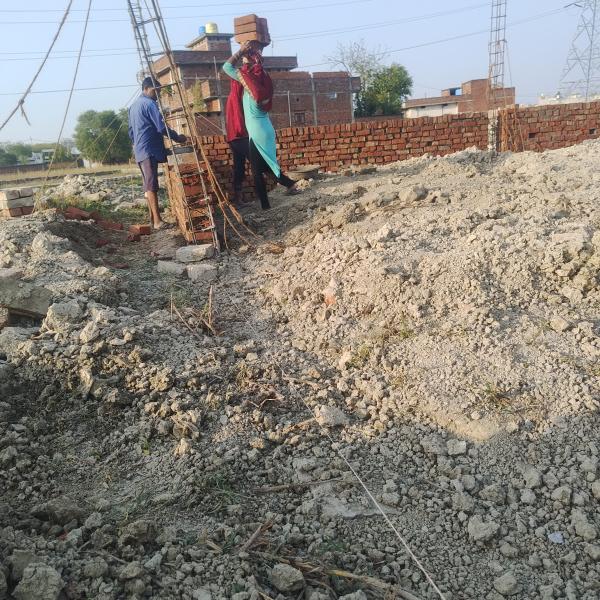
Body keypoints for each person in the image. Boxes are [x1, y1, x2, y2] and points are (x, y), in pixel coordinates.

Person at [222, 41, 298, 210]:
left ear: (247, 72)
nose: (242, 64)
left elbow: (227, 67)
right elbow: (252, 72)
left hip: (255, 133)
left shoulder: (247, 86)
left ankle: (268, 204)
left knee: (259, 169)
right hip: (266, 128)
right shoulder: (263, 83)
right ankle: (288, 186)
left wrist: (240, 51)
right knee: (265, 164)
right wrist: (250, 58)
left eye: (245, 62)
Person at [128, 76, 187, 229]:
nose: (158, 95)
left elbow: (131, 132)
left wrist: (138, 145)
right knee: (151, 185)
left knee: (148, 184)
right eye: (156, 91)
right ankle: (157, 222)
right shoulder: (149, 104)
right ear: (146, 88)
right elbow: (161, 128)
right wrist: (178, 138)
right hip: (149, 150)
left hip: (141, 151)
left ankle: (152, 219)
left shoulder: (133, 106)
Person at [224, 72, 251, 205]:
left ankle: (238, 199)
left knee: (239, 167)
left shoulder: (232, 95)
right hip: (239, 136)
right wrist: (245, 132)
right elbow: (239, 118)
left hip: (233, 137)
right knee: (257, 161)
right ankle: (285, 184)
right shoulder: (235, 95)